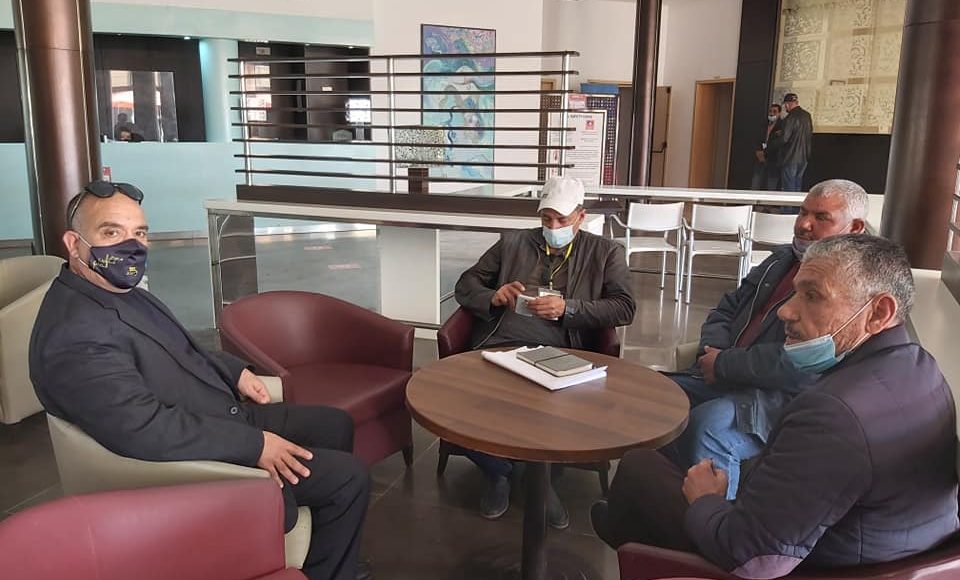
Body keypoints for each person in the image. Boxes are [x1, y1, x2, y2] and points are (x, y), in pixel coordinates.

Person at [29, 181, 372, 580]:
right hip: (193, 455)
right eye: (111, 232)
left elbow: (179, 347)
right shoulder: (75, 336)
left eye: (139, 233)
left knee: (334, 423)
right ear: (74, 244)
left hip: (214, 413)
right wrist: (256, 446)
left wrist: (235, 372)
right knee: (349, 478)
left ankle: (324, 539)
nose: (131, 246)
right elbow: (144, 429)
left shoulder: (114, 289)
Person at [593, 234, 959, 578]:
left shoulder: (834, 413)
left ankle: (630, 542)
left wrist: (707, 500)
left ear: (878, 313)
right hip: (872, 550)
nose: (786, 311)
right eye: (795, 292)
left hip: (806, 567)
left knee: (639, 466)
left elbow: (753, 559)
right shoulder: (922, 368)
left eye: (812, 296)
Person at [665, 179, 868, 498]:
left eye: (821, 217)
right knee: (658, 397)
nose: (804, 224)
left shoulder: (850, 288)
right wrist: (713, 351)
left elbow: (804, 363)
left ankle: (715, 522)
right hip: (725, 373)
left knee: (708, 425)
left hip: (778, 397)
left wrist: (725, 363)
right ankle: (658, 500)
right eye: (802, 212)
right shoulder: (780, 260)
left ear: (854, 228)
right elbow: (727, 307)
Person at [453, 175, 636, 528]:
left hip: (562, 349)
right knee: (460, 407)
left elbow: (624, 307)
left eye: (561, 220)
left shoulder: (605, 252)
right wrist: (493, 295)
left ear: (580, 217)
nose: (552, 228)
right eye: (546, 219)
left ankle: (524, 476)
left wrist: (569, 308)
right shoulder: (513, 243)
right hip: (501, 343)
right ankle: (506, 472)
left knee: (547, 413)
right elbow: (466, 283)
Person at [772, 93, 813, 192]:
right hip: (804, 157)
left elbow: (784, 139)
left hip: (790, 157)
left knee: (788, 188)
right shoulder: (807, 116)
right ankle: (796, 203)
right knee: (797, 185)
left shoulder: (790, 117)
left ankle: (788, 203)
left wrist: (772, 145)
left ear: (787, 104)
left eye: (785, 105)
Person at [751, 103, 783, 190]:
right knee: (756, 181)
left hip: (773, 158)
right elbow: (757, 138)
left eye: (774, 112)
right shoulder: (763, 124)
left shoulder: (782, 126)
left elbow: (780, 143)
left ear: (779, 113)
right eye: (770, 111)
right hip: (761, 156)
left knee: (771, 184)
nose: (772, 114)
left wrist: (768, 151)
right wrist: (758, 151)